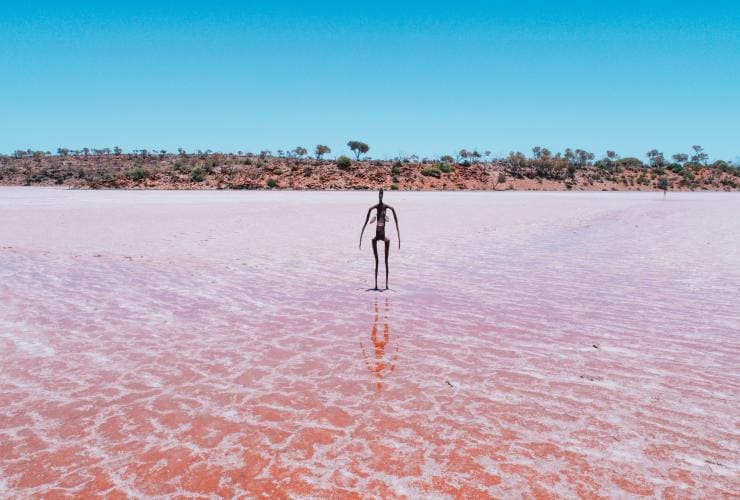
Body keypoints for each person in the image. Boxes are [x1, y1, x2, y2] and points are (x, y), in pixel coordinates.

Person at [359, 188, 400, 290]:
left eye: (382, 194)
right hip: (376, 236)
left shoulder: (387, 207)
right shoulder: (374, 207)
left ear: (383, 195)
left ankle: (386, 285)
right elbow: (365, 222)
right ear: (378, 195)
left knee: (386, 261)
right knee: (376, 261)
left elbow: (396, 221)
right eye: (379, 194)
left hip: (384, 236)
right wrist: (361, 238)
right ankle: (376, 285)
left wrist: (399, 238)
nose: (380, 196)